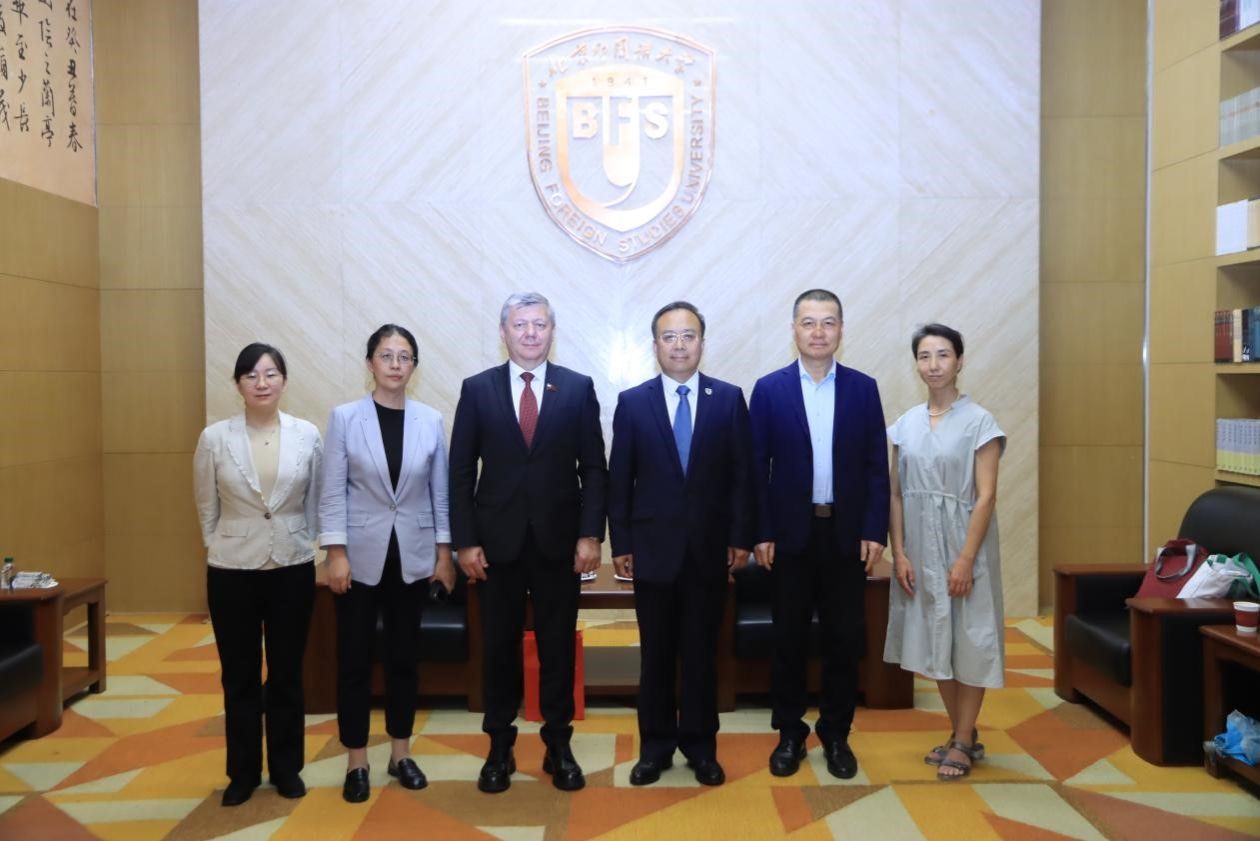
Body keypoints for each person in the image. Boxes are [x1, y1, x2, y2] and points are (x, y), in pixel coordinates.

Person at [449, 292, 607, 794]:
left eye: (540, 324)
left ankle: (558, 745)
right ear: (504, 332)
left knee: (558, 648)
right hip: (495, 548)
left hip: (560, 545)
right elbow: (460, 471)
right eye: (521, 325)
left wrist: (590, 534)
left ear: (552, 332)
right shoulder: (477, 389)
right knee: (498, 649)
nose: (531, 333)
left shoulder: (577, 388)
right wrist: (464, 542)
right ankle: (499, 746)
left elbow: (594, 468)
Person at [607, 301, 755, 787]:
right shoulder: (634, 402)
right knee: (656, 656)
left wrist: (740, 537)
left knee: (701, 654)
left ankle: (700, 747)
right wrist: (621, 541)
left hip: (710, 551)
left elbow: (742, 477)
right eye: (669, 337)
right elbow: (619, 478)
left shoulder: (728, 399)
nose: (679, 345)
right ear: (655, 345)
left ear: (702, 343)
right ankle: (654, 748)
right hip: (652, 550)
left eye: (688, 336)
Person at [748, 289, 890, 780]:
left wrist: (874, 528)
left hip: (846, 536)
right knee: (787, 638)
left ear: (841, 330)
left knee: (843, 638)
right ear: (794, 329)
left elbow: (876, 466)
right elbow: (756, 467)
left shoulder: (863, 388)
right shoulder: (769, 389)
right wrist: (762, 530)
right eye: (808, 323)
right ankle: (789, 733)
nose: (818, 332)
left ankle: (835, 733)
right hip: (789, 536)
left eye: (828, 322)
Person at [318, 324, 456, 803]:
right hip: (358, 559)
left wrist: (444, 554)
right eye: (386, 355)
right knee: (354, 661)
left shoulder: (430, 420)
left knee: (404, 660)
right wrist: (336, 553)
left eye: (404, 356)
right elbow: (332, 491)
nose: (396, 364)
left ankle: (401, 753)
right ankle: (356, 760)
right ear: (370, 363)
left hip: (413, 559)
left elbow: (440, 494)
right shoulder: (345, 418)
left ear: (414, 366)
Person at [193, 342, 322, 807]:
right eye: (251, 375)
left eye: (270, 374)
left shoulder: (307, 434)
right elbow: (206, 505)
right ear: (238, 384)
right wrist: (221, 545)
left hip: (291, 566)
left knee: (287, 672)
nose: (261, 383)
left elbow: (315, 501)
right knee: (239, 675)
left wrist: (306, 541)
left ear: (284, 381)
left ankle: (287, 768)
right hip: (232, 570)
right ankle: (242, 772)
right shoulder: (214, 438)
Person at [884, 323, 1005, 781]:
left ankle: (963, 737)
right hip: (919, 546)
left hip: (964, 543)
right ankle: (963, 734)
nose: (933, 365)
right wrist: (900, 553)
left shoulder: (980, 422)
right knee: (936, 638)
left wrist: (966, 559)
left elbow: (986, 496)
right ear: (916, 363)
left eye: (943, 355)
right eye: (924, 356)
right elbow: (896, 494)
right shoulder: (905, 424)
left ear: (959, 361)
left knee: (970, 638)